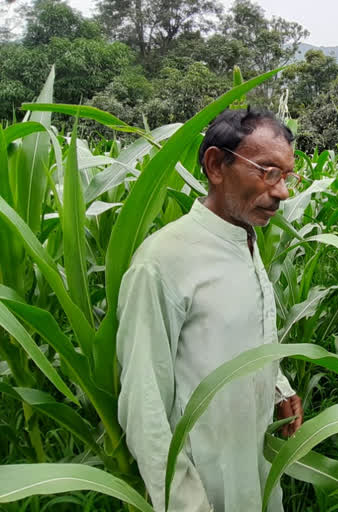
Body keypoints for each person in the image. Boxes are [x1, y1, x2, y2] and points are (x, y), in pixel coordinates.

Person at [116, 107, 304, 512]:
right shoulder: (163, 262)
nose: (282, 192)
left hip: (255, 465)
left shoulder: (245, 239)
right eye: (268, 172)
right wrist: (184, 502)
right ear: (217, 165)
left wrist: (278, 386)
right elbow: (142, 402)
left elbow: (239, 336)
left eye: (287, 176)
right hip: (204, 485)